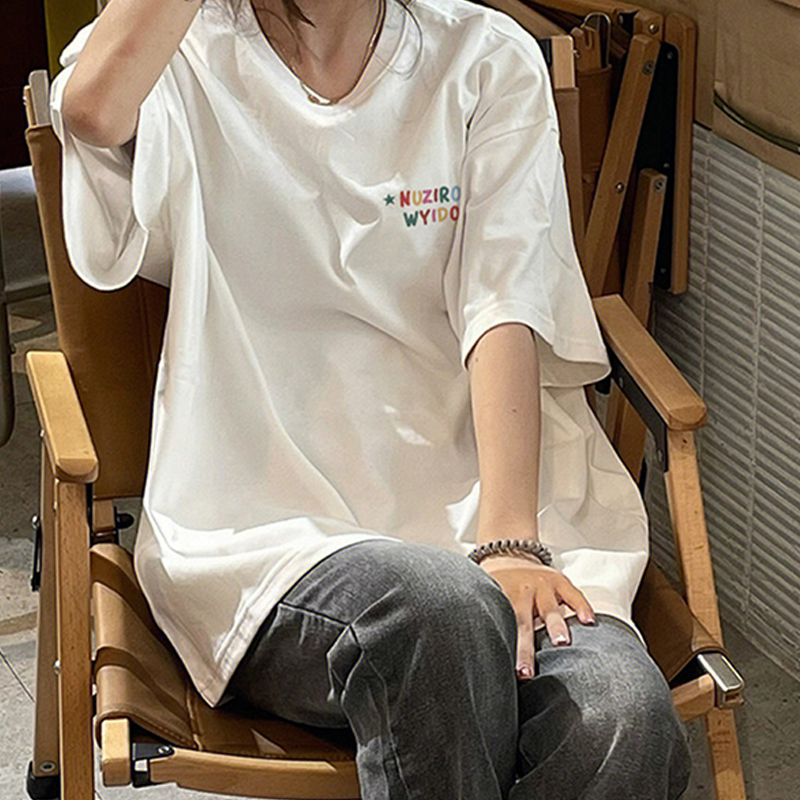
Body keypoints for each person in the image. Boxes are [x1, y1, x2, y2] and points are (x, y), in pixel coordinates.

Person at [52, 0, 691, 796]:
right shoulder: (185, 59)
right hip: (272, 534)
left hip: (496, 514)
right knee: (438, 612)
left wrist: (509, 543)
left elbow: (504, 306)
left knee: (621, 716)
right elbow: (92, 110)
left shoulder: (483, 57)